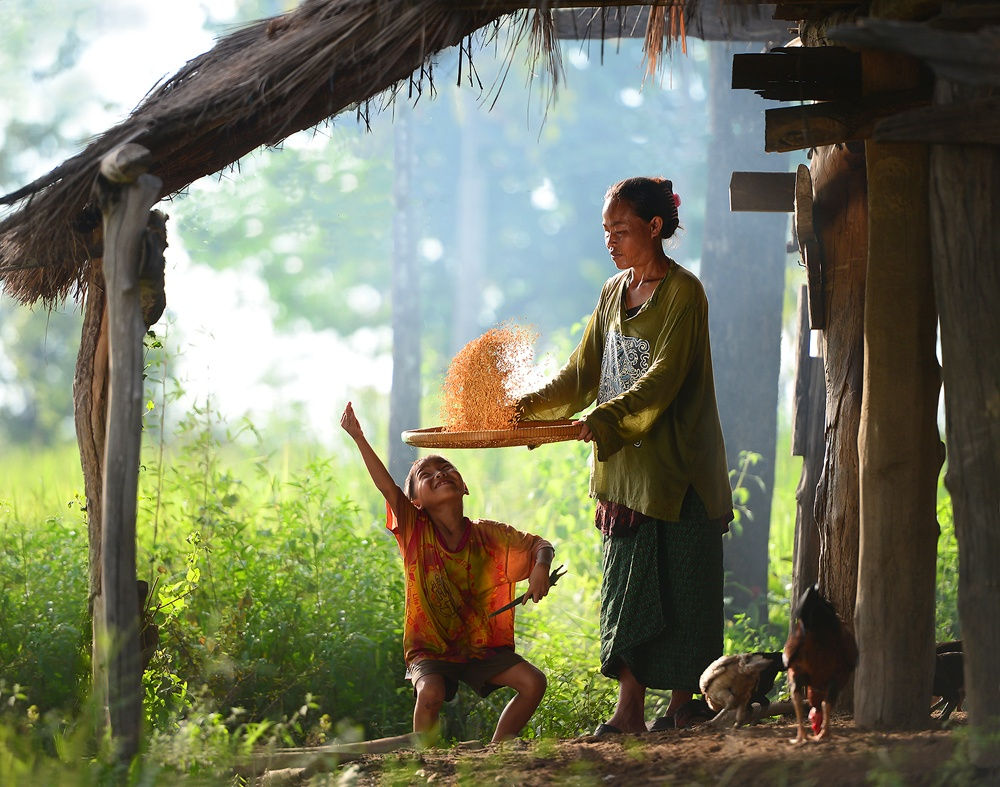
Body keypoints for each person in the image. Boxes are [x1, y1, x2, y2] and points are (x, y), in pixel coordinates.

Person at [517, 176, 733, 735]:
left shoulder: (686, 293)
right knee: (629, 588)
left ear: (654, 228)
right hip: (625, 471)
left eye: (621, 229)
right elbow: (582, 373)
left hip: (679, 467)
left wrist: (604, 419)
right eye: (606, 230)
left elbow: (662, 380)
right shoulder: (612, 293)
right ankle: (628, 709)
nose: (610, 241)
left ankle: (684, 704)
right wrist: (524, 408)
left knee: (683, 583)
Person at [339, 401, 554, 743]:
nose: (440, 474)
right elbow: (388, 489)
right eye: (426, 475)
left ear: (464, 486)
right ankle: (425, 761)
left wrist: (540, 569)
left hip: (481, 646)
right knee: (430, 695)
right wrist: (359, 437)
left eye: (447, 468)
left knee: (534, 683)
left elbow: (540, 545)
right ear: (415, 503)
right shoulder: (414, 530)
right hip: (430, 648)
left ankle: (499, 747)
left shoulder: (489, 535)